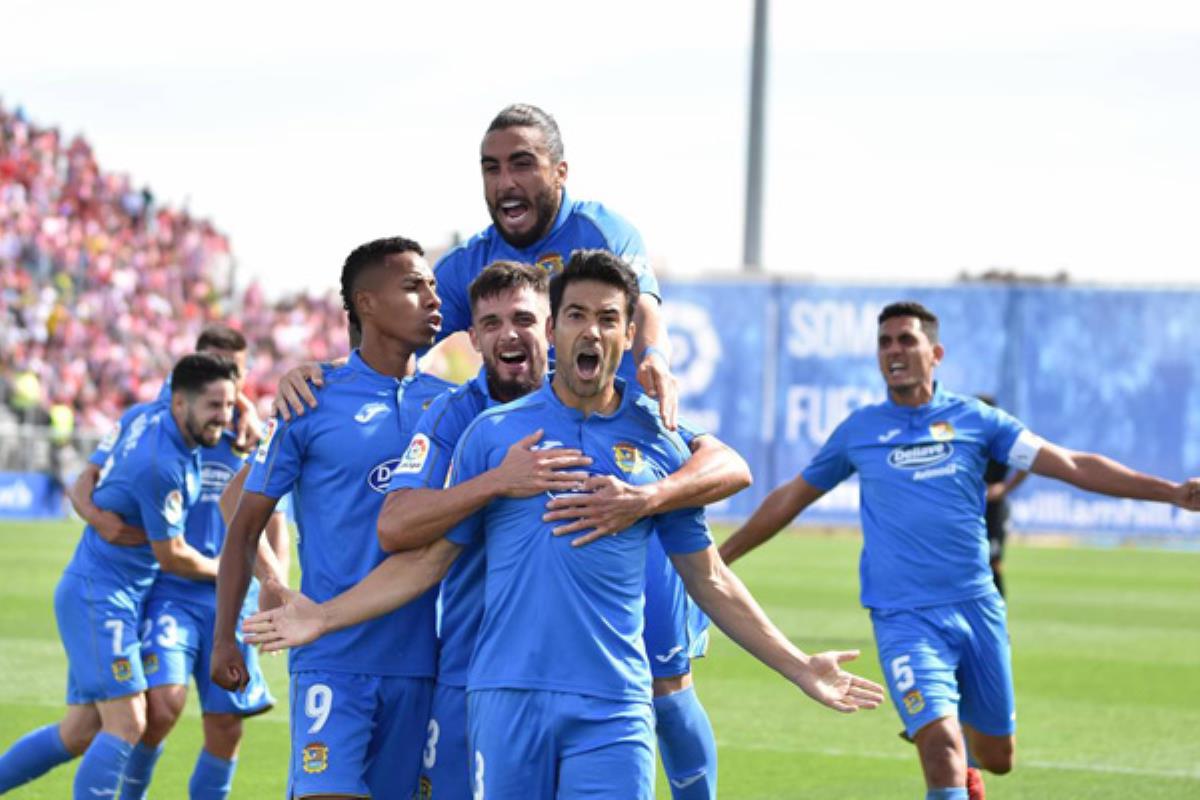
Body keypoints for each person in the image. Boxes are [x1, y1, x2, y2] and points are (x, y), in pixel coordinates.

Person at [243, 251, 885, 799]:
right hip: (504, 700)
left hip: (613, 706)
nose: (592, 331)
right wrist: (325, 616)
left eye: (609, 318)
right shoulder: (492, 435)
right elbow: (426, 558)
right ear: (559, 327)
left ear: (630, 334)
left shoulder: (657, 442)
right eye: (577, 314)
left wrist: (801, 666)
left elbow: (710, 577)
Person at [271, 104, 725, 798]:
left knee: (665, 678)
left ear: (559, 172)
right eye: (491, 166)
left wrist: (655, 367)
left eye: (522, 163)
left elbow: (652, 320)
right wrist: (324, 375)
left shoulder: (601, 230)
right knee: (492, 671)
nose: (505, 179)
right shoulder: (468, 270)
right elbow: (390, 333)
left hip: (628, 482)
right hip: (525, 480)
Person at [718, 301, 1200, 800]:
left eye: (906, 340)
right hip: (903, 616)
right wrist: (719, 558)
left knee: (996, 758)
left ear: (936, 352)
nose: (893, 351)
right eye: (884, 342)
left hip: (976, 609)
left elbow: (1072, 465)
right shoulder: (859, 431)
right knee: (942, 748)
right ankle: (935, 725)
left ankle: (951, 737)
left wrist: (1169, 493)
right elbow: (791, 499)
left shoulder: (977, 421)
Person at [361, 260, 749, 799]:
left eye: (522, 318)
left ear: (546, 327)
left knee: (673, 689)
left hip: (609, 670)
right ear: (473, 337)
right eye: (491, 324)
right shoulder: (467, 420)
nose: (508, 334)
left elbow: (726, 464)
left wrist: (646, 498)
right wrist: (496, 482)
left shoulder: (627, 414)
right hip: (488, 672)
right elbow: (402, 533)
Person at [210, 236, 454, 799]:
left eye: (434, 287)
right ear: (365, 303)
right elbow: (243, 522)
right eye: (414, 286)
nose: (433, 299)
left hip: (422, 664)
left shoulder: (454, 404)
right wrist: (228, 635)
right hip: (331, 658)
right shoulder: (311, 400)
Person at [0, 354, 240, 798]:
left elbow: (87, 476)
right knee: (128, 721)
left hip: (103, 588)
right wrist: (231, 571)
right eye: (215, 407)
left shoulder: (140, 416)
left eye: (230, 406)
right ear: (180, 403)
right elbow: (173, 558)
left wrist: (93, 514)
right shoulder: (162, 464)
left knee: (79, 732)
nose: (224, 419)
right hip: (102, 596)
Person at [67, 324, 290, 800]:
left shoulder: (255, 438)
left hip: (231, 597)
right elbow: (89, 476)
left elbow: (274, 520)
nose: (222, 377)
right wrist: (96, 518)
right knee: (160, 708)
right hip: (171, 588)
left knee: (227, 725)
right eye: (211, 363)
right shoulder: (165, 423)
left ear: (244, 374)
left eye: (232, 369)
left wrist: (276, 584)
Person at [975, 394, 1027, 598]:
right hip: (970, 510)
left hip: (994, 510)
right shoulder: (967, 439)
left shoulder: (1002, 438)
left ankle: (996, 611)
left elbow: (1027, 464)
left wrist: (1003, 488)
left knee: (992, 562)